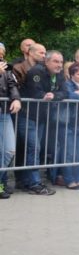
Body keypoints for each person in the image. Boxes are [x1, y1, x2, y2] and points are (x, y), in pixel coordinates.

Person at [17, 50, 67, 195]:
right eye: (56, 61)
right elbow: (35, 93)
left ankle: (27, 181)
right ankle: (33, 183)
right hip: (27, 116)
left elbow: (65, 93)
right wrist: (46, 96)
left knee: (33, 149)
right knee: (34, 148)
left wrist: (54, 95)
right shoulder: (36, 72)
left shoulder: (59, 74)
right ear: (46, 61)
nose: (59, 65)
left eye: (61, 62)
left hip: (42, 118)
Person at [0, 42, 22, 199]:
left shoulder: (6, 69)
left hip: (4, 113)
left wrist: (16, 99)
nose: (1, 56)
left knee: (9, 151)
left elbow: (12, 85)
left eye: (2, 53)